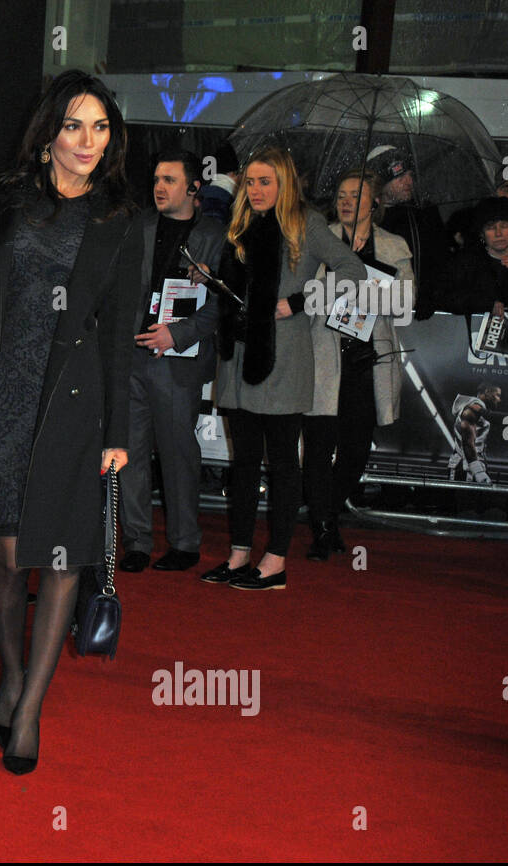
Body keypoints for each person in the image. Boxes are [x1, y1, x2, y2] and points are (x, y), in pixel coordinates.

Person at [0, 70, 136, 773]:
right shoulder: (5, 201)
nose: (88, 141)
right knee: (6, 554)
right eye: (75, 125)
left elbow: (118, 332)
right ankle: (12, 671)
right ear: (49, 132)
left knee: (59, 558)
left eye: (101, 127)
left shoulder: (119, 218)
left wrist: (118, 433)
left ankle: (29, 708)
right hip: (3, 396)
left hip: (73, 404)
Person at [197, 145, 366, 590]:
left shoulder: (305, 223)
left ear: (284, 183)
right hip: (238, 359)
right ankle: (238, 556)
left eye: (264, 182)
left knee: (284, 464)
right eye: (249, 182)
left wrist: (298, 302)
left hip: (285, 360)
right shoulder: (241, 223)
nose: (255, 190)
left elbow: (352, 269)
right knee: (245, 463)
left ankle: (275, 563)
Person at [119, 149, 224, 573]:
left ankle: (184, 542)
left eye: (169, 180)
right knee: (130, 451)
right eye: (157, 179)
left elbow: (224, 304)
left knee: (178, 451)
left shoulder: (216, 236)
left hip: (178, 358)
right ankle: (137, 543)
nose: (159, 187)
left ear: (193, 188)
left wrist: (176, 334)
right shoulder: (138, 225)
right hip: (132, 353)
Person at [301, 169, 411, 560]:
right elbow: (307, 297)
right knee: (317, 445)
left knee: (356, 449)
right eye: (342, 194)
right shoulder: (319, 237)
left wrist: (365, 288)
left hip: (368, 359)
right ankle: (322, 527)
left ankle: (328, 513)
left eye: (357, 195)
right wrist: (340, 282)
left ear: (375, 202)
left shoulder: (394, 245)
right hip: (323, 355)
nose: (347, 201)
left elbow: (405, 304)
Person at [366, 145, 449, 321]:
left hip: (419, 315)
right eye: (400, 177)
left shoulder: (424, 213)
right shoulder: (364, 218)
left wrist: (431, 295)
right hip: (375, 313)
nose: (409, 182)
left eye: (410, 175)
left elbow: (441, 261)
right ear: (381, 183)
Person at [437, 196, 508, 321]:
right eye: (491, 227)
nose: (498, 233)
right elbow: (445, 298)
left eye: (504, 226)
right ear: (481, 233)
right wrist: (486, 304)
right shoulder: (467, 262)